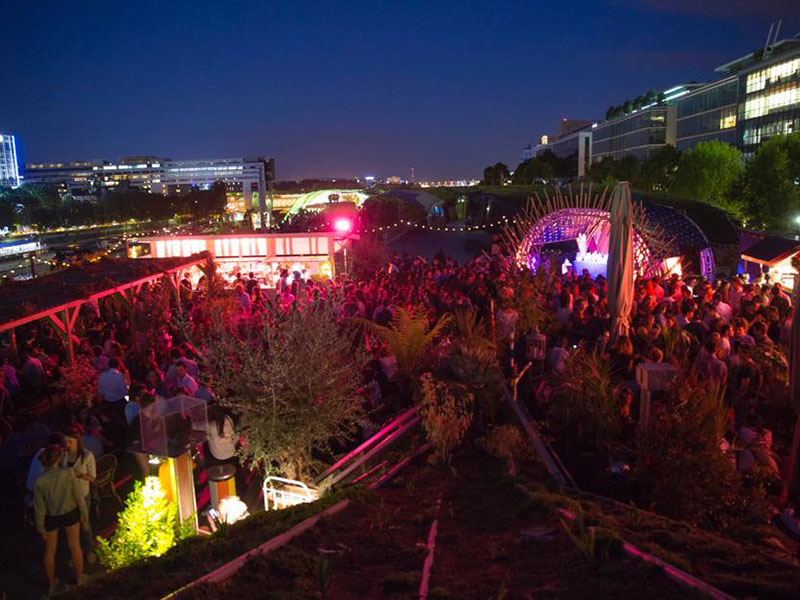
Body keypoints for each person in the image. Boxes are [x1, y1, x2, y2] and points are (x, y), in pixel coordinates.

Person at [34, 443, 87, 595]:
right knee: (75, 546)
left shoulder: (39, 481)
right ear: (58, 458)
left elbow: (39, 508)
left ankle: (52, 585)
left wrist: (40, 527)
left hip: (51, 516)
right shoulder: (68, 473)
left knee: (50, 551)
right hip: (70, 513)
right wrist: (84, 513)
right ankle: (79, 579)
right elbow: (78, 496)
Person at [64, 425, 96, 564]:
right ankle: (75, 552)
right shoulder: (63, 455)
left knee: (85, 524)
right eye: (65, 442)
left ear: (77, 441)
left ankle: (89, 550)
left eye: (70, 442)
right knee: (71, 526)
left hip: (82, 495)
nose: (67, 445)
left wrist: (80, 475)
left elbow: (92, 477)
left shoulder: (87, 456)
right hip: (68, 496)